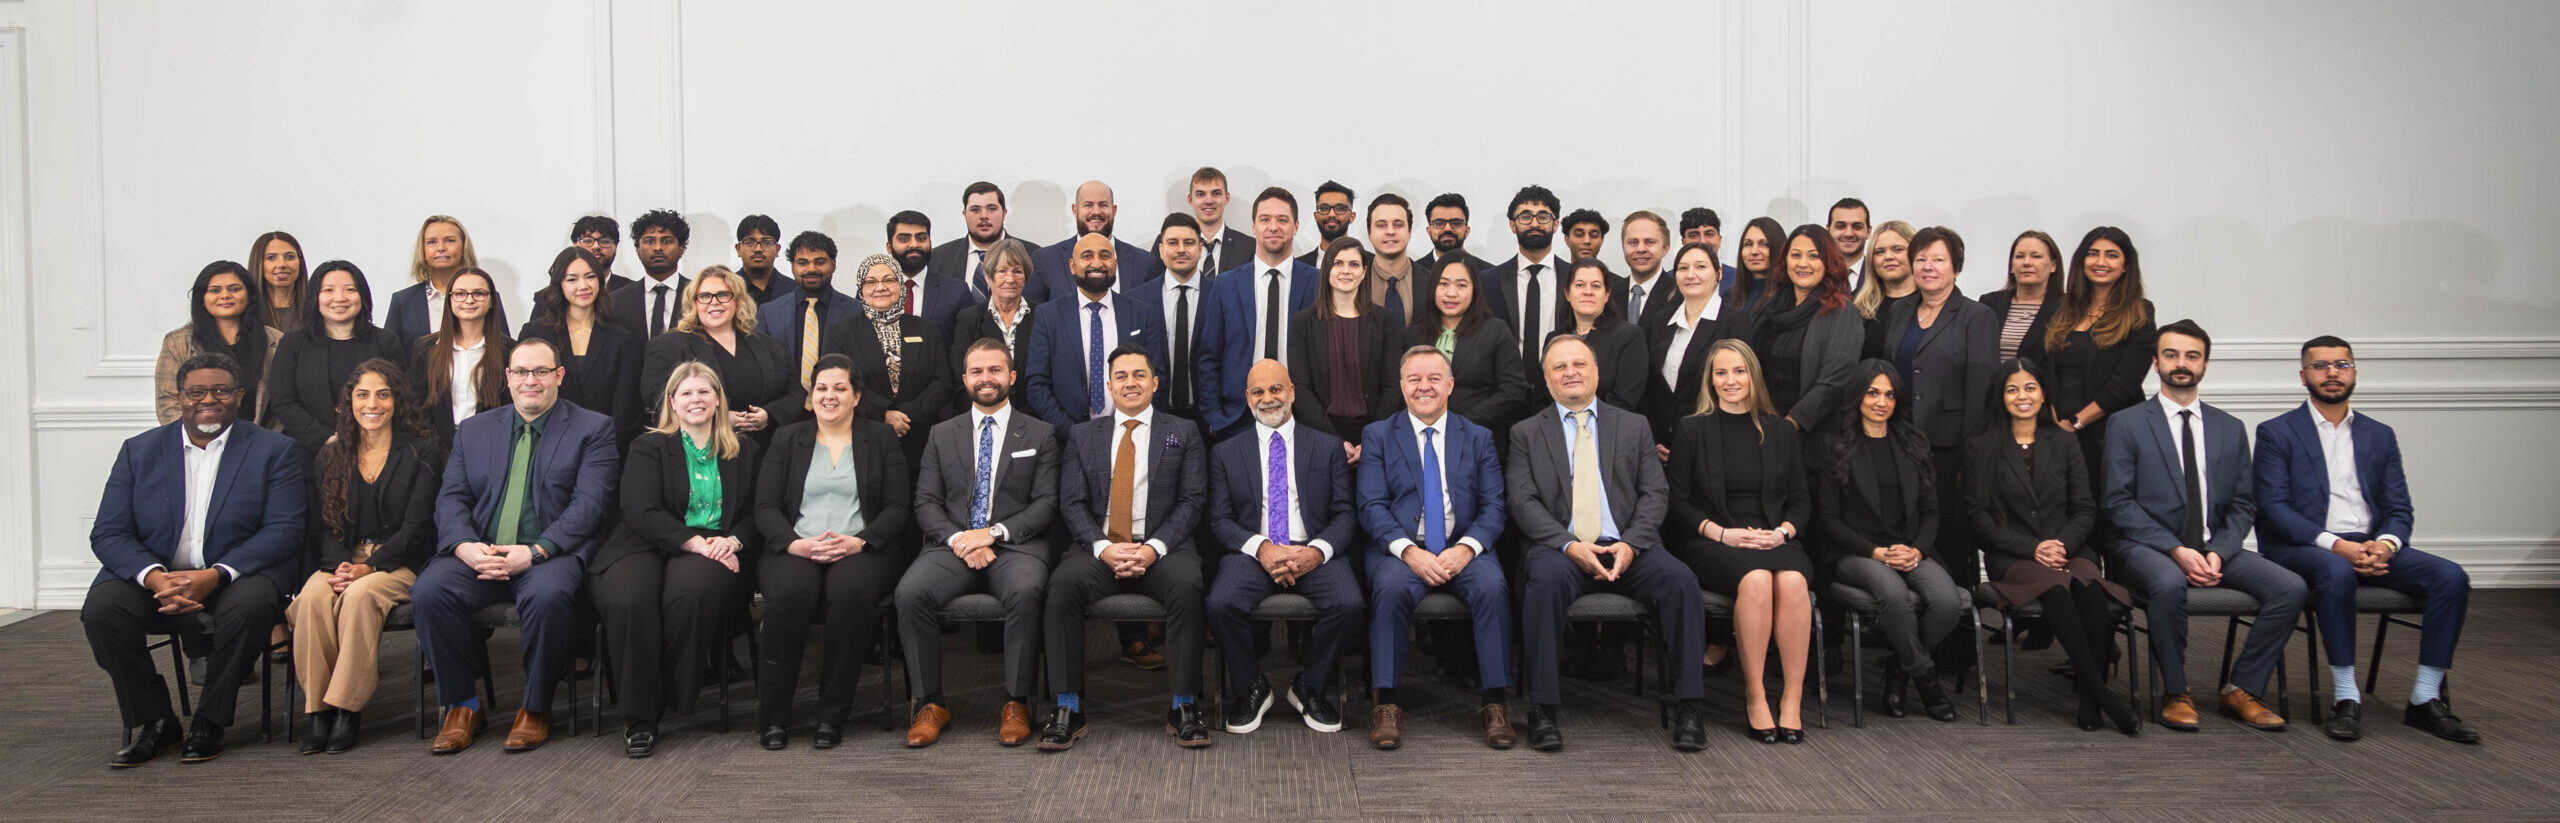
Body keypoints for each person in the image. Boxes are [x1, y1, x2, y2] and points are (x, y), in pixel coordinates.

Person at [2252, 336, 2476, 743]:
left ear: (2354, 372)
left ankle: (2425, 699)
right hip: (2303, 547)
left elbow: (2399, 509)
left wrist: (2385, 545)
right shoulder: (2276, 432)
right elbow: (2273, 509)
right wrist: (2339, 546)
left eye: (2342, 364)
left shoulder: (2379, 434)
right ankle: (2346, 697)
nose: (2332, 373)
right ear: (2303, 376)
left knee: (2451, 577)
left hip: (2371, 545)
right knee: (2337, 573)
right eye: (2321, 366)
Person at [86, 352, 305, 767]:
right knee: (102, 609)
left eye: (221, 390)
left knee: (257, 602)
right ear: (179, 397)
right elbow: (109, 531)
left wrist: (215, 575)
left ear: (240, 396)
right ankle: (156, 721)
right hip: (157, 577)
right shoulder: (139, 451)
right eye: (197, 391)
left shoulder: (275, 451)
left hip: (234, 576)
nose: (209, 399)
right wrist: (154, 578)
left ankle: (209, 720)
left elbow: (285, 529)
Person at [415, 336, 621, 754]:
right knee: (430, 591)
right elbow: (451, 497)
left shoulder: (593, 429)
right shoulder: (473, 430)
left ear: (559, 376)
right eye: (522, 372)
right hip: (482, 551)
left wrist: (537, 550)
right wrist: (464, 547)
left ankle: (536, 706)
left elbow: (590, 505)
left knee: (549, 598)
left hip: (549, 554)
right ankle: (462, 705)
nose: (532, 380)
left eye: (542, 371)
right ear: (507, 378)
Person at [2101, 319, 2303, 732]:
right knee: (2169, 583)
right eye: (2172, 355)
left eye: (2192, 356)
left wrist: (2218, 551)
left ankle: (2242, 688)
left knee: (2291, 587)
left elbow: (2244, 504)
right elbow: (2117, 502)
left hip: (2215, 548)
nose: (2182, 363)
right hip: (2147, 548)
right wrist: (2176, 549)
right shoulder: (2127, 423)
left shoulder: (2229, 428)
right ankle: (2176, 691)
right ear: (2155, 363)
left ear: (2205, 365)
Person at [1509, 334, 1708, 751]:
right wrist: (1568, 546)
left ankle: (1690, 704)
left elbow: (1656, 493)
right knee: (1541, 583)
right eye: (1559, 367)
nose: (1571, 373)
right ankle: (1543, 708)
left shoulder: (1633, 425)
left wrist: (1632, 544)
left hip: (1629, 547)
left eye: (1579, 364)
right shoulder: (1525, 433)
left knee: (1682, 581)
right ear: (1546, 380)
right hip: (1561, 548)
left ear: (1596, 372)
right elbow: (1523, 502)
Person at [1039, 344, 1211, 750]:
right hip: (1100, 548)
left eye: (1139, 375)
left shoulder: (1182, 432)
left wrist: (1153, 547)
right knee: (1061, 586)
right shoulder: (1083, 435)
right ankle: (1068, 706)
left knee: (1189, 585)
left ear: (1155, 383)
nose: (1130, 383)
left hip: (1163, 548)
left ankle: (1184, 704)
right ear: (1108, 388)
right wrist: (1102, 547)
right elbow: (1073, 503)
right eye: (1121, 376)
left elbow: (1192, 501)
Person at [895, 340, 1061, 748]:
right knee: (910, 593)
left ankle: (1016, 702)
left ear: (1012, 377)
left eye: (995, 370)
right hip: (951, 544)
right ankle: (930, 703)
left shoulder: (1040, 433)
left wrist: (992, 534)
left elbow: (1046, 504)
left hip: (1015, 546)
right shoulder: (940, 433)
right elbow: (926, 502)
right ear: (965, 379)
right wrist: (961, 539)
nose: (986, 378)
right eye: (977, 371)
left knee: (1025, 592)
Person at [593, 362, 762, 757]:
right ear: (671, 402)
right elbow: (639, 509)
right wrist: (691, 541)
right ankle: (640, 719)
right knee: (629, 600)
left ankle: (666, 695)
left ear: (719, 398)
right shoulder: (648, 446)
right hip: (645, 541)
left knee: (689, 595)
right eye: (685, 393)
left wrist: (735, 541)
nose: (696, 400)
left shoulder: (745, 449)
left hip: (718, 543)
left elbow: (764, 509)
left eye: (704, 392)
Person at [1355, 349, 1515, 750]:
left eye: (1433, 378)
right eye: (1414, 379)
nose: (1424, 386)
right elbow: (1371, 506)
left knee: (1493, 588)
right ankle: (1386, 703)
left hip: (1464, 548)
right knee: (1389, 591)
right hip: (1402, 552)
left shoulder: (1477, 437)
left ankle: (1495, 702)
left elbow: (1494, 506)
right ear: (1402, 386)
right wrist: (1410, 552)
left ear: (1450, 385)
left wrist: (1466, 549)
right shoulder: (1378, 435)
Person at [1966, 357, 2136, 734]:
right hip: (2013, 555)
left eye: (2030, 387)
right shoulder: (1981, 445)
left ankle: (2090, 698)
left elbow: (2085, 508)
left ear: (2043, 394)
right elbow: (1979, 518)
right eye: (2012, 389)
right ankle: (2103, 695)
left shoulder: (2064, 440)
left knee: (2089, 588)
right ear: (2000, 396)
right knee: (2056, 589)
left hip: (2068, 547)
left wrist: (2060, 543)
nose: (2022, 396)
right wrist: (2033, 548)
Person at [751, 354, 910, 751]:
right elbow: (765, 506)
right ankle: (774, 717)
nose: (829, 396)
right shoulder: (787, 438)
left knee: (852, 598)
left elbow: (897, 506)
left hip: (860, 547)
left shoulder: (880, 437)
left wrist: (863, 541)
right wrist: (792, 543)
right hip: (795, 547)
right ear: (811, 395)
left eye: (840, 388)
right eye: (821, 388)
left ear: (857, 396)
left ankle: (831, 714)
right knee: (788, 598)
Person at [288, 358, 443, 754]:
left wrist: (368, 567)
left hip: (399, 563)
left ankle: (346, 709)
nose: (372, 404)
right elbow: (324, 525)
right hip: (343, 559)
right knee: (312, 598)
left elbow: (418, 527)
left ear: (397, 401)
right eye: (362, 395)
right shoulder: (332, 454)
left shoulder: (422, 450)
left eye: (382, 394)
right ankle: (316, 710)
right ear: (348, 403)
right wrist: (341, 564)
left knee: (359, 596)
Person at [1666, 340, 1815, 743]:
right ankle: (1755, 695)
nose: (1730, 380)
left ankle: (1792, 700)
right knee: (1756, 581)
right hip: (1713, 540)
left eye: (1738, 371)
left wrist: (1782, 532)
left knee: (1792, 582)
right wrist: (1721, 532)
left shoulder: (1781, 430)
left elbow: (1801, 499)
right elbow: (1676, 502)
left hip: (1773, 537)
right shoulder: (1692, 428)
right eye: (1721, 373)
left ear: (1753, 375)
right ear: (1710, 380)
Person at [1204, 361, 1363, 737]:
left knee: (1350, 603)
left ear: (1292, 392)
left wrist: (1316, 552)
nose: (1268, 398)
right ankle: (1252, 688)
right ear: (1247, 399)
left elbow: (1345, 515)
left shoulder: (1326, 447)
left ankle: (1309, 685)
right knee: (1219, 603)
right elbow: (1219, 521)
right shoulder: (1226, 452)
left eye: (1276, 389)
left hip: (1313, 549)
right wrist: (1262, 548)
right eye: (1258, 392)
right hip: (1253, 551)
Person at [1813, 361, 1962, 721]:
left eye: (1889, 394)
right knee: (1894, 595)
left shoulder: (1913, 442)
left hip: (1909, 548)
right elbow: (1828, 519)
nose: (1882, 402)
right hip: (1856, 552)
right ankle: (1926, 680)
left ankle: (1901, 667)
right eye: (1873, 392)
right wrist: (1875, 551)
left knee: (1949, 602)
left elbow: (1931, 511)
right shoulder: (1834, 445)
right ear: (1858, 396)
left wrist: (1917, 550)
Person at [1882, 226, 2000, 589]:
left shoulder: (1975, 316)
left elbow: (1981, 391)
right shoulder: (1900, 310)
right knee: (1905, 532)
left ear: (1956, 267)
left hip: (1950, 449)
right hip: (1900, 443)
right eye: (1920, 259)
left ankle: (1957, 639)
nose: (1927, 267)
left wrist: (1972, 456)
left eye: (1937, 259)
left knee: (1949, 536)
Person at [2018, 227, 2158, 498]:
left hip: (2109, 434)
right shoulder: (2063, 308)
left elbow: (2125, 382)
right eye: (2093, 254)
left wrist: (2076, 423)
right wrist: (2055, 420)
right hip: (2056, 434)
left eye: (2111, 255)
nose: (2101, 262)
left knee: (2106, 513)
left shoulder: (2139, 312)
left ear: (2126, 265)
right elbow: (2041, 368)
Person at [1199, 186, 1321, 438]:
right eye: (1265, 219)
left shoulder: (1318, 283)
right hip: (1237, 418)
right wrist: (1215, 417)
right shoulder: (1226, 284)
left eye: (1282, 220)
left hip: (1303, 417)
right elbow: (1209, 357)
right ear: (1253, 226)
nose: (1273, 227)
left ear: (1296, 226)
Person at [642, 266, 804, 449]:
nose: (714, 302)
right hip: (699, 453)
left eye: (723, 295)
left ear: (737, 300)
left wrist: (769, 415)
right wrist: (716, 417)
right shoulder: (669, 346)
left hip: (763, 452)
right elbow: (657, 398)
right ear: (693, 303)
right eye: (704, 296)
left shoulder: (771, 346)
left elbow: (795, 393)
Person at [1027, 233, 1169, 434]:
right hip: (1068, 439)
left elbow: (1157, 377)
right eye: (1087, 256)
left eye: (1105, 255)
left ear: (1115, 264)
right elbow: (1037, 385)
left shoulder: (1141, 313)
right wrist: (1074, 434)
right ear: (1072, 266)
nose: (1097, 262)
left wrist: (1132, 427)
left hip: (1131, 436)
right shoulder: (1048, 315)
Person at [824, 253, 953, 472]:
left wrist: (907, 415)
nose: (880, 287)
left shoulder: (926, 329)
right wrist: (883, 414)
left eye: (889, 279)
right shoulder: (842, 333)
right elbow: (839, 383)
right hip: (863, 436)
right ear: (861, 288)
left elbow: (942, 381)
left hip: (919, 437)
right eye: (871, 281)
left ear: (900, 285)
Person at [266, 260, 405, 454]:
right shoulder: (293, 343)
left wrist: (364, 437)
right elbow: (283, 400)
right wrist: (326, 438)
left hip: (376, 449)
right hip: (310, 453)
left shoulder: (385, 341)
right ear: (315, 297)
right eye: (328, 290)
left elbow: (401, 395)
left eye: (350, 290)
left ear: (362, 295)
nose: (339, 298)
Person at [1288, 237, 1406, 446]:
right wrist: (1334, 441)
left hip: (1375, 436)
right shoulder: (1303, 322)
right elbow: (1301, 388)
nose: (1346, 270)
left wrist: (1372, 439)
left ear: (1363, 272)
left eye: (1354, 264)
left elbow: (1392, 386)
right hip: (1319, 436)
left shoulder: (1385, 321)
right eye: (1338, 263)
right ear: (1327, 270)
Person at [520, 247, 645, 445]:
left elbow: (627, 410)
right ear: (559, 284)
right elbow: (522, 394)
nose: (583, 285)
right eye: (572, 279)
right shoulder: (534, 333)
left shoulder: (621, 339)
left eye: (590, 277)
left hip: (603, 448)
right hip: (544, 444)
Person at [1750, 225, 1861, 434]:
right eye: (1796, 255)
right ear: (1785, 261)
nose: (1803, 264)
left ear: (1827, 262)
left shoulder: (1843, 313)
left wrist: (1792, 423)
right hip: (1762, 428)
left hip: (1813, 437)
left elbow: (1834, 382)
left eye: (1813, 256)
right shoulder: (1770, 307)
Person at [1643, 243, 1752, 447]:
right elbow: (1651, 388)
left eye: (1701, 267)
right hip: (1663, 445)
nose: (1690, 275)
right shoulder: (1660, 320)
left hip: (1714, 442)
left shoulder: (1735, 321)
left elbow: (1740, 387)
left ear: (1718, 273)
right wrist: (1654, 440)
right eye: (1683, 268)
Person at [1409, 258, 1529, 437]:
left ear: (1475, 290)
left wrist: (1463, 422)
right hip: (1423, 436)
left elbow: (1514, 389)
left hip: (1479, 434)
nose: (1451, 293)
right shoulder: (1414, 333)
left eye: (1461, 285)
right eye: (1443, 284)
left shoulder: (1495, 330)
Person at [157, 261, 282, 427]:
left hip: (262, 445)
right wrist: (199, 441)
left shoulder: (276, 340)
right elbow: (168, 403)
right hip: (199, 444)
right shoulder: (177, 342)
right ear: (202, 298)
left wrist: (266, 444)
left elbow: (283, 402)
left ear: (249, 295)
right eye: (215, 290)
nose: (225, 295)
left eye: (234, 289)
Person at [407, 267, 511, 443]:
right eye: (460, 293)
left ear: (492, 300)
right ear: (449, 300)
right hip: (437, 450)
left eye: (479, 293)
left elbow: (509, 408)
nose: (469, 300)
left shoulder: (509, 350)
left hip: (490, 446)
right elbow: (416, 405)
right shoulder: (425, 348)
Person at [385, 216, 508, 354]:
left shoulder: (485, 296)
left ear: (463, 248)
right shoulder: (403, 301)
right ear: (423, 251)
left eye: (450, 241)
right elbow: (389, 358)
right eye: (432, 242)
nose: (441, 248)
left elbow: (504, 349)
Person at [1030, 180, 1162, 302]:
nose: (1096, 212)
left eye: (1103, 205)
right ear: (1075, 210)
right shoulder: (1046, 260)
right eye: (1088, 205)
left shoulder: (1144, 262)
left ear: (1114, 210)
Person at [757, 230, 860, 387]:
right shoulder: (769, 313)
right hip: (784, 408)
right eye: (803, 263)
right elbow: (763, 368)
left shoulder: (856, 311)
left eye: (819, 262)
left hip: (839, 406)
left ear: (833, 264)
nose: (811, 269)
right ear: (792, 266)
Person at [1482, 185, 1570, 368]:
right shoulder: (1488, 281)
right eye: (1526, 216)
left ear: (1555, 225)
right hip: (1504, 386)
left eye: (1543, 216)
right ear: (1513, 225)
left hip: (1561, 383)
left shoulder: (1574, 278)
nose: (1535, 224)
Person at [947, 238, 1039, 411]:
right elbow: (961, 378)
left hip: (1034, 420)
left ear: (1026, 276)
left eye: (1017, 271)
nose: (1010, 279)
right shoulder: (969, 319)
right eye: (1002, 271)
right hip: (982, 415)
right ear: (988, 277)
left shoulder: (1043, 316)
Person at [1137, 214, 1212, 422]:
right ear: (1161, 250)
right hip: (1153, 416)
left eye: (1189, 243)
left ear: (1201, 248)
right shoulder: (1137, 300)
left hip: (1208, 419)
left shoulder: (1221, 296)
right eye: (1172, 243)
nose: (1181, 249)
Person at [1552, 257, 1647, 413]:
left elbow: (1625, 400)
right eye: (1580, 285)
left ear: (1606, 295)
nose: (1587, 292)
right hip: (1559, 430)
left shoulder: (1629, 336)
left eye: (1596, 286)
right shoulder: (1554, 339)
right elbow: (1545, 394)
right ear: (1567, 293)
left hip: (1610, 429)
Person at [932, 181, 1035, 301]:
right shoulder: (938, 258)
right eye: (975, 210)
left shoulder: (1033, 255)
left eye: (991, 209)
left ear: (1004, 213)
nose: (984, 216)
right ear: (964, 214)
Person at [884, 210, 974, 341]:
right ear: (889, 247)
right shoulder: (873, 290)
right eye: (904, 239)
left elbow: (967, 344)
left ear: (930, 243)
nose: (914, 244)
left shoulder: (956, 291)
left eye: (921, 238)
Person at [1983, 230, 2066, 362]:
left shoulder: (2066, 308)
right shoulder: (1989, 303)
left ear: (2053, 266)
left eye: (2036, 256)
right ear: (2011, 266)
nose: (2026, 262)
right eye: (2020, 256)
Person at [612, 209, 693, 341]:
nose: (658, 248)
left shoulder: (698, 294)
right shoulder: (617, 301)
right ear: (638, 249)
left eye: (666, 241)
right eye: (649, 242)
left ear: (681, 249)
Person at [1850, 220, 1916, 360]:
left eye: (1898, 249)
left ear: (1916, 253)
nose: (1888, 257)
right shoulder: (1854, 305)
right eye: (1879, 252)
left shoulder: (1933, 304)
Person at [1364, 194, 1428, 325]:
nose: (1390, 231)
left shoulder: (1432, 282)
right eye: (1381, 225)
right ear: (1369, 232)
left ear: (1409, 231)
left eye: (1398, 225)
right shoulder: (1355, 282)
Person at [1187, 167, 1255, 275]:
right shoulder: (1169, 243)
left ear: (1227, 198)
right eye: (1201, 194)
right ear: (1190, 199)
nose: (1209, 201)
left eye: (1216, 193)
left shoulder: (1249, 247)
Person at [1414, 192, 1492, 280]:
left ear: (1467, 230)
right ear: (1429, 231)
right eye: (1439, 223)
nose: (1448, 228)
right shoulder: (1412, 274)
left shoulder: (1488, 273)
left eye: (1456, 223)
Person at [1619, 211, 1673, 324]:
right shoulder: (1609, 294)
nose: (1641, 249)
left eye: (1650, 242)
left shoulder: (1678, 295)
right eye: (1633, 242)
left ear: (1666, 248)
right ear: (1623, 247)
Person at [250, 231, 308, 335]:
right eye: (271, 258)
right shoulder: (247, 311)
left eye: (289, 257)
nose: (282, 264)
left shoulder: (317, 307)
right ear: (258, 264)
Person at [733, 214, 797, 307]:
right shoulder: (727, 288)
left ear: (777, 249)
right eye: (750, 242)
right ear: (738, 249)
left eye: (767, 242)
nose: (758, 249)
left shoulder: (794, 290)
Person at [1295, 181, 1358, 268]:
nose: (1331, 214)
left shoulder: (1370, 264)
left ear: (1352, 216)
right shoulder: (1297, 267)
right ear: (1315, 216)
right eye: (1324, 208)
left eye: (1340, 208)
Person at [1729, 217, 1785, 316]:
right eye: (1748, 244)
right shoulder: (1729, 296)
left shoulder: (1787, 297)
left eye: (1763, 244)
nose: (1754, 251)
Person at [1677, 207, 1740, 295]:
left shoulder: (1740, 280)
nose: (1702, 241)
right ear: (1683, 242)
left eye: (1709, 234)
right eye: (1693, 235)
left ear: (1719, 239)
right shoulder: (1669, 282)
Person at [571, 214, 637, 293]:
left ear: (616, 246)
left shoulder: (633, 291)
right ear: (575, 246)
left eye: (604, 241)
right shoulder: (563, 289)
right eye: (587, 241)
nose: (596, 247)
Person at [1827, 198, 1872, 288]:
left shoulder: (1880, 275)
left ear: (1869, 232)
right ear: (1828, 230)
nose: (1849, 234)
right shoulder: (1815, 274)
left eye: (1857, 227)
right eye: (1841, 226)